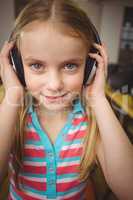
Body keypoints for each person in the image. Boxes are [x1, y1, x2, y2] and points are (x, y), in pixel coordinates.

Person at [0, 0, 133, 199]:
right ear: (17, 66)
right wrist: (13, 94)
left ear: (90, 66)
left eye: (70, 65)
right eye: (37, 65)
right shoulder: (11, 115)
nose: (54, 84)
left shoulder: (90, 119)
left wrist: (97, 98)